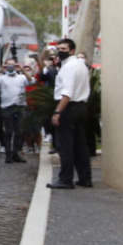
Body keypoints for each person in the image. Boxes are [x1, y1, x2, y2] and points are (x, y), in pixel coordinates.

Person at [47, 37, 93, 190]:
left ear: (72, 50)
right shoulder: (80, 65)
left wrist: (57, 112)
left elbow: (67, 92)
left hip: (69, 107)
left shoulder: (68, 67)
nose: (60, 52)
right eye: (58, 49)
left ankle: (65, 179)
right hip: (81, 107)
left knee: (65, 146)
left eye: (64, 49)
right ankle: (85, 178)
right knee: (80, 145)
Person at [0, 59, 28, 164]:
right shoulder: (2, 78)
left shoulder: (22, 77)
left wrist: (23, 69)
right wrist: (0, 71)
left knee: (19, 131)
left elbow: (31, 80)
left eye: (12, 65)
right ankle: (8, 154)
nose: (10, 67)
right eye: (8, 65)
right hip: (7, 106)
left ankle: (15, 153)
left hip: (19, 106)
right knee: (8, 131)